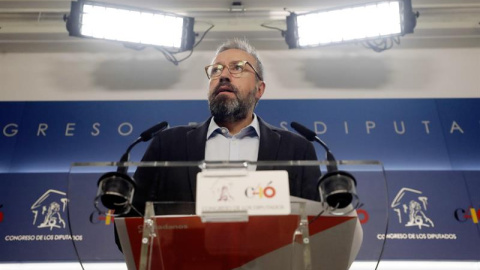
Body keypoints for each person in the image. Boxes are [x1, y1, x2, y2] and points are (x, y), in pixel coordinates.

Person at [130, 38, 320, 215]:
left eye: (237, 68)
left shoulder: (297, 150)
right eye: (216, 70)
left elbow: (315, 225)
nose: (223, 76)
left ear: (259, 89)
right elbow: (132, 220)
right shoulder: (168, 145)